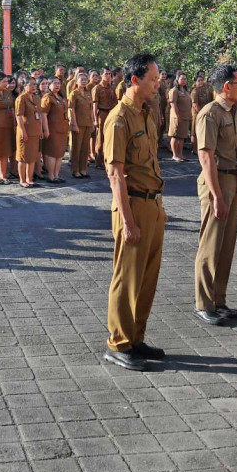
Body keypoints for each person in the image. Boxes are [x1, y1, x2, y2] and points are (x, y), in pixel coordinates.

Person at [103, 53, 166, 371]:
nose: (158, 84)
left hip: (152, 204)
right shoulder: (118, 118)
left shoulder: (146, 113)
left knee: (146, 278)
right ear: (135, 80)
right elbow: (115, 174)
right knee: (127, 277)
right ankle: (118, 343)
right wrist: (127, 221)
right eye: (153, 79)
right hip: (133, 206)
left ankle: (135, 339)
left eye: (158, 79)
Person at [192, 64, 237, 326]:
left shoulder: (233, 113)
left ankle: (218, 299)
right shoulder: (210, 114)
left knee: (226, 245)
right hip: (217, 183)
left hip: (232, 180)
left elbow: (235, 154)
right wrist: (217, 196)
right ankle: (203, 303)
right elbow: (206, 156)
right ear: (227, 87)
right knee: (211, 244)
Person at [14, 77, 45, 188]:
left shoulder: (36, 98)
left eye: (34, 84)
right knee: (23, 157)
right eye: (31, 84)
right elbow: (18, 116)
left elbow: (40, 115)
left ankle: (29, 178)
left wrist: (40, 129)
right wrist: (23, 132)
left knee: (32, 156)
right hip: (25, 131)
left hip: (35, 131)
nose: (33, 87)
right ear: (24, 85)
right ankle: (22, 180)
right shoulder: (21, 99)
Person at [41, 76, 69, 183]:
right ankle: (51, 175)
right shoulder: (47, 97)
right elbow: (43, 114)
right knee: (53, 153)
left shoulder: (61, 97)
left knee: (60, 154)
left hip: (62, 129)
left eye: (58, 83)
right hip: (52, 129)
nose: (57, 85)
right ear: (49, 85)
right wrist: (46, 130)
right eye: (54, 83)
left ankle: (57, 175)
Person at [68, 71, 95, 179]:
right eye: (81, 80)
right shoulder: (74, 93)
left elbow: (91, 109)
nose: (84, 82)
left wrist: (93, 122)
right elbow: (71, 109)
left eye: (85, 80)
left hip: (88, 123)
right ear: (77, 81)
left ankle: (83, 169)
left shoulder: (88, 93)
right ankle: (76, 170)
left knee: (85, 147)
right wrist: (74, 124)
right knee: (77, 147)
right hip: (78, 124)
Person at [93, 68, 117, 166]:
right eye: (106, 74)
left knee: (109, 137)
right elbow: (95, 104)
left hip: (110, 113)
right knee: (100, 138)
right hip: (101, 113)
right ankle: (99, 161)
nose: (108, 76)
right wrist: (95, 119)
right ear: (101, 76)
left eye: (109, 74)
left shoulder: (111, 88)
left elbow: (115, 102)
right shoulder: (97, 88)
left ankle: (106, 158)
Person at [167, 72, 192, 162]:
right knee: (175, 136)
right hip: (177, 117)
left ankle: (180, 154)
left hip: (185, 117)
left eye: (185, 79)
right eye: (182, 79)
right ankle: (175, 155)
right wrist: (177, 116)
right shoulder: (174, 91)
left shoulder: (185, 91)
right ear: (177, 80)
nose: (184, 80)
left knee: (182, 137)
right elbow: (173, 104)